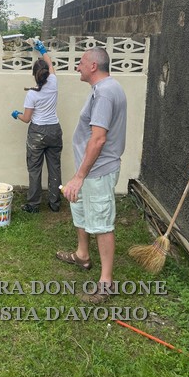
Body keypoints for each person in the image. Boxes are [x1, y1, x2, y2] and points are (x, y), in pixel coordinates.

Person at [56, 47, 127, 304]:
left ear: (93, 66)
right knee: (82, 211)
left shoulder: (106, 93)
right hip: (89, 170)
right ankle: (82, 255)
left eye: (81, 63)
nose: (78, 67)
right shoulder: (103, 89)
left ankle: (106, 282)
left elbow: (98, 139)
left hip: (97, 170)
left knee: (101, 222)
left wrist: (79, 176)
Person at [11, 39, 62, 213]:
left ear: (34, 75)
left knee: (35, 168)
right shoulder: (54, 83)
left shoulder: (32, 94)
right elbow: (50, 64)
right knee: (55, 167)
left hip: (38, 133)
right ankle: (55, 203)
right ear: (47, 74)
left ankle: (33, 204)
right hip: (54, 130)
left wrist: (17, 114)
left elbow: (26, 119)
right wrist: (42, 50)